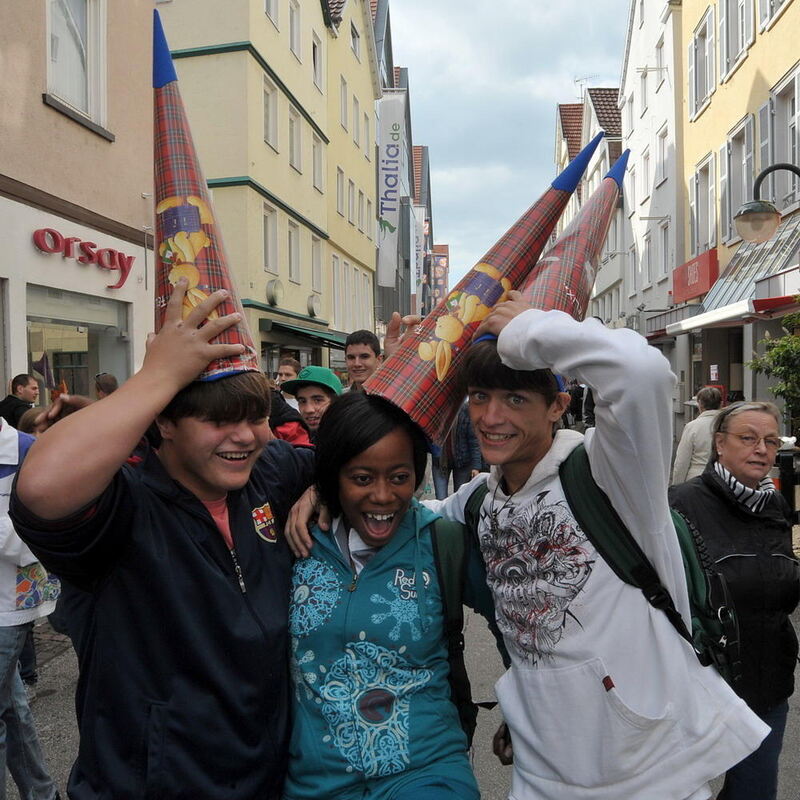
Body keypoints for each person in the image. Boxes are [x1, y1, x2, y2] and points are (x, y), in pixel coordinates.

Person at [287, 295, 768, 799]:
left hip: (645, 767)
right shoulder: (477, 502)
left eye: (516, 398)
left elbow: (641, 371)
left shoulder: (610, 476)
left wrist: (529, 332)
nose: (491, 417)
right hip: (541, 770)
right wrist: (326, 488)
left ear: (558, 405)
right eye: (479, 396)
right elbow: (390, 505)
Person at [10, 282, 314, 800]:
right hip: (151, 786)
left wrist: (321, 490)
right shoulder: (124, 508)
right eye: (220, 420)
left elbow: (354, 461)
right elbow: (40, 486)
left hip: (268, 777)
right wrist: (157, 375)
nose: (247, 437)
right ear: (164, 422)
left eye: (257, 417)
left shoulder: (267, 475)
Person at [285, 392, 494, 800]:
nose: (383, 496)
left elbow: (525, 630)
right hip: (315, 783)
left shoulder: (441, 542)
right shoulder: (296, 541)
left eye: (399, 477)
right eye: (361, 478)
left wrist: (529, 713)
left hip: (427, 773)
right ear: (331, 478)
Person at [670, 401, 798, 800]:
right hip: (700, 685)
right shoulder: (681, 505)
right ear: (720, 444)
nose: (761, 449)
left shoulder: (775, 504)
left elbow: (781, 585)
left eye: (771, 441)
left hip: (767, 681)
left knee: (754, 792)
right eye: (748, 438)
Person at [0, 416, 60, 800]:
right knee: (10, 705)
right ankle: (42, 792)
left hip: (9, 602)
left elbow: (47, 525)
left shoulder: (27, 450)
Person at [671, 386, 723, 484]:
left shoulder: (692, 427)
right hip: (724, 480)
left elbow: (681, 462)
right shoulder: (728, 425)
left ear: (700, 405)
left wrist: (676, 487)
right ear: (721, 404)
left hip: (696, 480)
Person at [431, 400, 482, 500]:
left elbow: (473, 440)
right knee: (440, 500)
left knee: (460, 498)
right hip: (440, 462)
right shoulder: (435, 410)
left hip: (462, 462)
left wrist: (476, 467)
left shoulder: (465, 410)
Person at [280, 365, 342, 442]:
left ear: (336, 402)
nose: (308, 410)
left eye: (318, 400)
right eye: (302, 401)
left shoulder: (351, 441)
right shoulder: (300, 440)